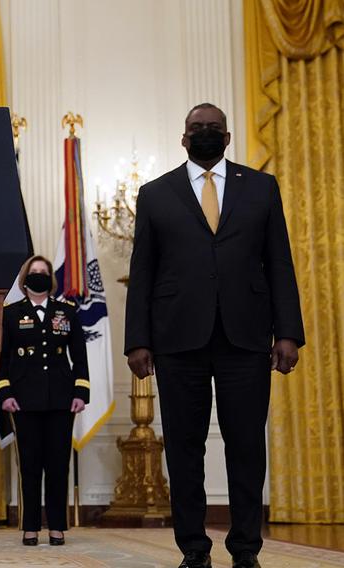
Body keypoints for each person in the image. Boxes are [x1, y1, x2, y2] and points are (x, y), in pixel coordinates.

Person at [124, 103, 305, 568]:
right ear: (182, 138)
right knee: (184, 448)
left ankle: (246, 551)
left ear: (227, 138)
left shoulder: (261, 188)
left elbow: (279, 263)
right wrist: (137, 340)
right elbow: (141, 271)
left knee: (246, 444)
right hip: (176, 339)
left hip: (245, 338)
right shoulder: (155, 193)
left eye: (212, 128)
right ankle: (194, 551)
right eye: (195, 128)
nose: (203, 133)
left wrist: (288, 332)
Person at [0, 255, 88, 547]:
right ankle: (30, 527)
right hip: (23, 401)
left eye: (43, 272)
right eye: (33, 272)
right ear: (25, 279)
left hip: (61, 401)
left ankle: (57, 527)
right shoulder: (11, 314)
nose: (38, 276)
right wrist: (5, 393)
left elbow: (80, 357)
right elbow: (2, 359)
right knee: (30, 465)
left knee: (58, 465)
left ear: (50, 279)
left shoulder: (67, 311)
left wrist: (81, 392)